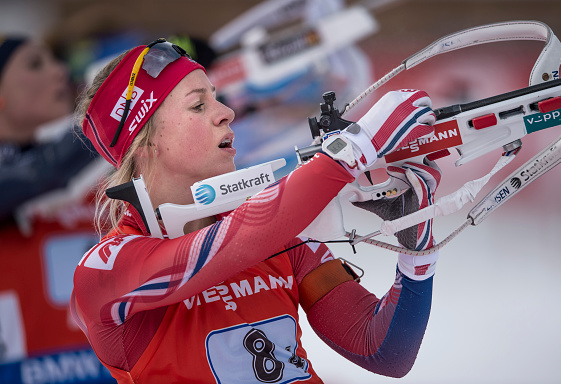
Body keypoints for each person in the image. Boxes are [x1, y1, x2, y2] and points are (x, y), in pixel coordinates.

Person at [71, 38, 441, 383]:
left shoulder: (273, 235)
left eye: (217, 98)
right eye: (198, 105)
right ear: (146, 144)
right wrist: (353, 150)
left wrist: (415, 249)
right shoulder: (105, 269)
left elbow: (384, 350)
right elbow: (228, 246)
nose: (227, 112)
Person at [0, 36, 115, 383]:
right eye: (35, 64)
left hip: (107, 368)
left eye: (54, 61)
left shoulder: (90, 165)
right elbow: (41, 175)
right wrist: (121, 105)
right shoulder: (64, 163)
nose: (59, 72)